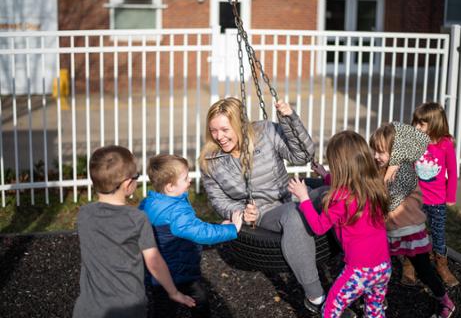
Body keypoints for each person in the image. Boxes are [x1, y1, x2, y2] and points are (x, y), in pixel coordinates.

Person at [199, 97, 327, 312]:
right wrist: (239, 212)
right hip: (265, 212)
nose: (219, 137)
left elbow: (302, 155)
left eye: (224, 129)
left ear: (240, 125)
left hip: (292, 194)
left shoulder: (265, 132)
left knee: (333, 194)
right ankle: (316, 296)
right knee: (294, 215)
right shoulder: (210, 161)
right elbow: (218, 200)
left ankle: (365, 269)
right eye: (214, 131)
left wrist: (289, 120)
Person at [73, 146, 195, 318]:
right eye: (136, 176)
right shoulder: (136, 219)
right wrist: (173, 292)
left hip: (88, 308)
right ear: (128, 184)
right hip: (127, 307)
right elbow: (154, 262)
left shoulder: (84, 214)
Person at [289, 131, 391, 318]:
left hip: (359, 272)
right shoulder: (374, 186)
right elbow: (350, 183)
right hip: (383, 267)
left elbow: (318, 227)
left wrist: (303, 198)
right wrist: (326, 176)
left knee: (330, 310)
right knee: (375, 309)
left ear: (340, 166)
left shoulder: (339, 198)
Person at [139, 154, 243, 318]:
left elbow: (192, 226)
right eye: (185, 178)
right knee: (199, 303)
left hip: (158, 275)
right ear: (170, 187)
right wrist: (231, 230)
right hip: (180, 273)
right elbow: (200, 232)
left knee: (162, 310)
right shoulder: (176, 211)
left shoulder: (148, 203)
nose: (189, 180)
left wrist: (217, 226)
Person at [370, 122, 455, 318]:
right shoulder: (380, 170)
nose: (375, 156)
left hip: (411, 232)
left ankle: (445, 301)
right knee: (379, 270)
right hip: (389, 232)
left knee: (424, 270)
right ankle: (376, 303)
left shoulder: (405, 170)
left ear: (396, 152)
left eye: (380, 152)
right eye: (374, 150)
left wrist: (392, 167)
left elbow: (389, 203)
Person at [412, 102, 459, 287]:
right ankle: (411, 264)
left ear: (435, 124)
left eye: (421, 124)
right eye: (415, 122)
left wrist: (451, 196)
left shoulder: (445, 144)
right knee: (415, 233)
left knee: (438, 234)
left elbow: (453, 172)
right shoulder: (415, 142)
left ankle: (441, 265)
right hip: (416, 199)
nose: (416, 127)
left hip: (437, 201)